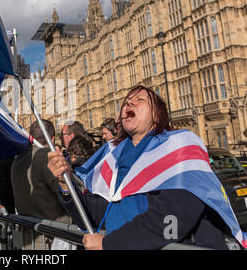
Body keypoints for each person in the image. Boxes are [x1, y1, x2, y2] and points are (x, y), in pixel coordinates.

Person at [48, 85, 244, 250]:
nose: (129, 103)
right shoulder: (112, 157)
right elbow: (93, 217)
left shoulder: (180, 145)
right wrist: (64, 182)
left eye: (140, 99)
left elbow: (172, 222)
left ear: (157, 115)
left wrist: (111, 244)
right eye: (126, 101)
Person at [11, 119, 71, 249]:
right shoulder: (46, 157)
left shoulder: (19, 159)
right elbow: (67, 192)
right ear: (52, 139)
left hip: (29, 236)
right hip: (51, 237)